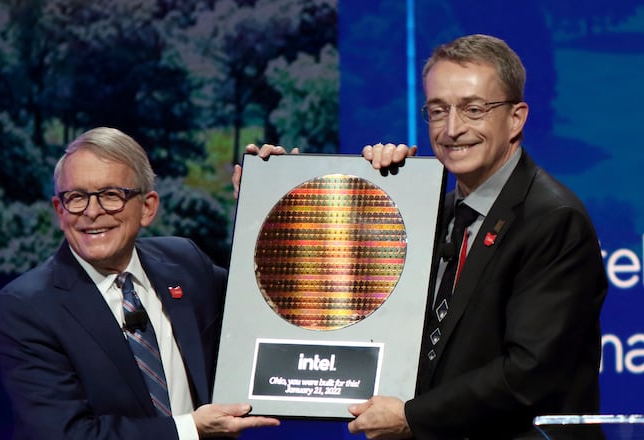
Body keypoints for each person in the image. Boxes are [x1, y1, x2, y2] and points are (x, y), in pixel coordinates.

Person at [236, 34, 607, 439]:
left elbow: (530, 372)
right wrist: (288, 199)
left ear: (516, 118)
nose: (452, 129)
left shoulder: (552, 219)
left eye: (474, 109)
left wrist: (414, 417)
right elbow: (342, 293)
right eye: (437, 111)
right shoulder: (429, 213)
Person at [0, 127, 280, 439]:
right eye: (76, 197)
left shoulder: (185, 263)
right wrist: (190, 429)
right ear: (60, 211)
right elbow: (64, 434)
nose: (92, 211)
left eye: (111, 195)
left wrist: (270, 202)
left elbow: (264, 305)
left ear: (147, 208)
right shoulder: (28, 308)